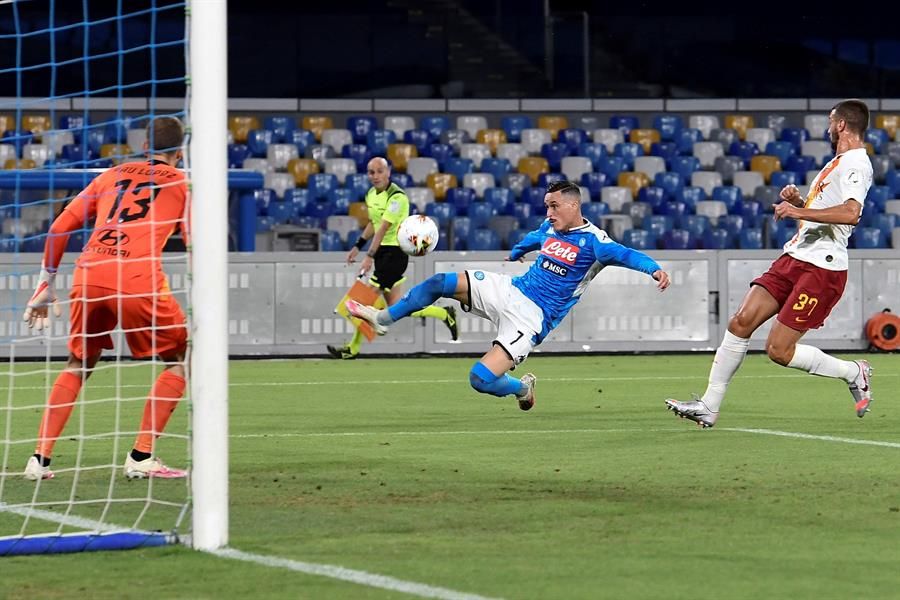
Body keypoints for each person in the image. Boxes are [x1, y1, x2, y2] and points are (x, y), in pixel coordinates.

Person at [346, 180, 671, 409]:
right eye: (546, 206)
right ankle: (382, 318)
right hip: (509, 290)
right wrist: (517, 252)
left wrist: (654, 269)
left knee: (480, 379)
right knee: (438, 283)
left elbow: (629, 255)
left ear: (574, 205)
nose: (549, 212)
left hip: (531, 319)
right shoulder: (550, 228)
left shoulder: (597, 243)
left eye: (554, 206)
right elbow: (534, 238)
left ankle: (522, 387)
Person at [665, 99, 875, 428]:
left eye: (830, 120)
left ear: (842, 125)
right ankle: (709, 406)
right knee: (740, 321)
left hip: (823, 268)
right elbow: (826, 219)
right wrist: (799, 203)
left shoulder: (855, 164)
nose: (827, 126)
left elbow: (851, 214)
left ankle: (853, 371)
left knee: (779, 350)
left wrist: (797, 211)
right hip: (795, 257)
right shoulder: (835, 163)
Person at [23, 116, 189, 481]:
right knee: (179, 360)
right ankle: (141, 455)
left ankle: (39, 460)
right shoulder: (182, 182)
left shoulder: (110, 175)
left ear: (145, 146)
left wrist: (45, 284)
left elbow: (58, 229)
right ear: (180, 150)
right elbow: (193, 242)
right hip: (137, 277)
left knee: (78, 363)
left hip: (89, 274)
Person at [327, 156, 457, 359]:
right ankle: (443, 313)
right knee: (399, 307)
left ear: (388, 172)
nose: (375, 176)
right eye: (371, 172)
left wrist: (368, 256)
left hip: (394, 254)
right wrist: (357, 246)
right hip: (381, 253)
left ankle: (354, 346)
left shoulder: (397, 197)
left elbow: (384, 228)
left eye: (379, 171)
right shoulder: (371, 194)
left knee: (363, 301)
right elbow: (374, 224)